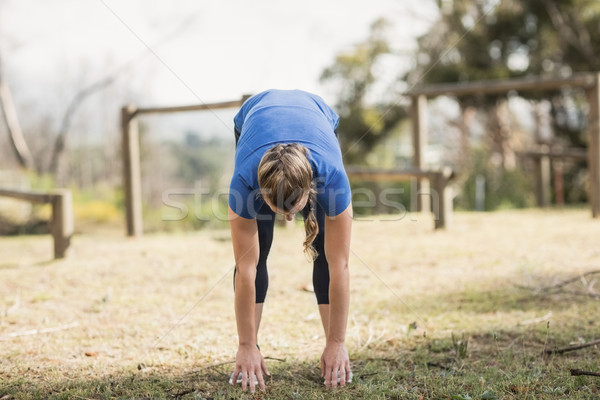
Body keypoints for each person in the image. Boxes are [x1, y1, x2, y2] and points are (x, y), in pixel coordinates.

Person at [227, 89, 353, 392]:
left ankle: (332, 352)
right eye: (276, 209)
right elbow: (245, 270)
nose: (288, 219)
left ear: (310, 191)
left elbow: (341, 265)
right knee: (259, 249)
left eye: (293, 210)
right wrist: (245, 344)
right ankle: (251, 354)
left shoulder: (332, 177)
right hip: (252, 115)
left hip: (318, 112)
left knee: (326, 251)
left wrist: (338, 341)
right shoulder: (244, 182)